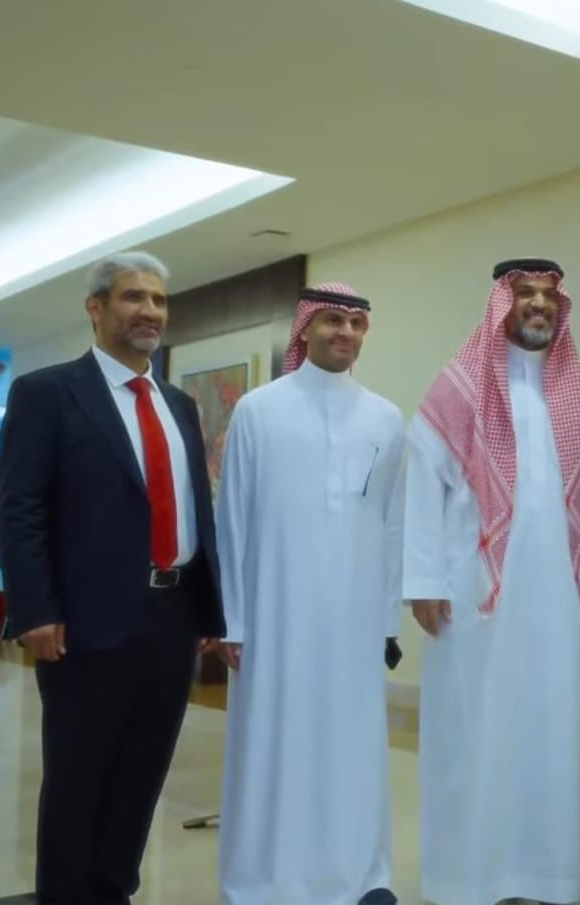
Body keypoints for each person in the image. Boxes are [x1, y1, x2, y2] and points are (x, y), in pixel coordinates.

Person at [403, 258, 580, 905]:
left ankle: (545, 875)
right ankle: (467, 878)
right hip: (475, 595)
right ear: (501, 303)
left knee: (556, 727)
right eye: (525, 293)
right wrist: (423, 578)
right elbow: (421, 488)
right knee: (474, 728)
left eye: (548, 294)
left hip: (566, 594)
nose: (538, 304)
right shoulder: (458, 387)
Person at [0, 250, 225, 904]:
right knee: (78, 779)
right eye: (133, 297)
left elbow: (194, 506)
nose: (149, 311)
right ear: (96, 309)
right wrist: (36, 608)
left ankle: (113, 892)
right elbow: (22, 507)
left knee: (141, 777)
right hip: (83, 622)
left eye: (158, 300)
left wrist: (208, 608)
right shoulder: (46, 393)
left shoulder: (178, 404)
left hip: (171, 620)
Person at [215, 283, 405, 905]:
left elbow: (393, 523)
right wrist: (233, 620)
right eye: (331, 320)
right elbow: (232, 519)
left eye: (355, 322)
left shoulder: (385, 417)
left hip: (354, 617)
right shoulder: (258, 410)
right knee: (272, 744)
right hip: (274, 613)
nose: (344, 332)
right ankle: (263, 881)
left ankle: (362, 876)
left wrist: (387, 620)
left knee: (352, 746)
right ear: (305, 329)